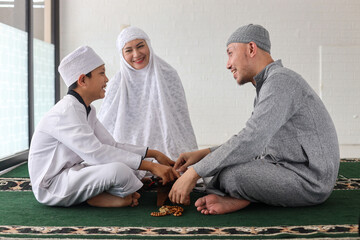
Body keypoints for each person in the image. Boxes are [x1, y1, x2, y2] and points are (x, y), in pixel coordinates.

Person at [169, 24, 340, 215]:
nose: (227, 64)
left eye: (230, 53)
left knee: (230, 175)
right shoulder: (269, 83)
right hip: (286, 168)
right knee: (224, 168)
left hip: (310, 180)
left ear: (251, 48)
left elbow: (251, 141)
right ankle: (242, 198)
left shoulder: (280, 81)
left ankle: (241, 197)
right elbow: (254, 141)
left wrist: (195, 172)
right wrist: (203, 154)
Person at [28, 46, 179, 208]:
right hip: (52, 185)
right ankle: (100, 197)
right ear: (82, 80)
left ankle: (103, 194)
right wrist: (152, 166)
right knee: (120, 170)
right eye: (101, 73)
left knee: (130, 167)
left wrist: (154, 154)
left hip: (73, 172)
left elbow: (111, 146)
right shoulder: (65, 112)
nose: (106, 79)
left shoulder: (86, 109)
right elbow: (96, 153)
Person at [98, 27, 198, 174]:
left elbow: (181, 120)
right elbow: (106, 124)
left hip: (169, 151)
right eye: (128, 50)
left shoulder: (168, 74)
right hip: (130, 157)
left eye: (140, 46)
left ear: (148, 45)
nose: (136, 54)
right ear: (122, 54)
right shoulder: (116, 83)